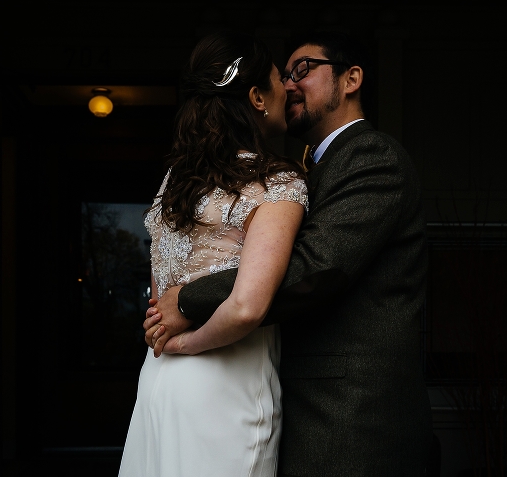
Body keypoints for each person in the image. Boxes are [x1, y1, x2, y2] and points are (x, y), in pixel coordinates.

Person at [146, 31, 433, 476]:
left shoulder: (374, 158)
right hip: (276, 400)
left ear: (351, 79)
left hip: (351, 420)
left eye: (303, 70)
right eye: (285, 75)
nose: (291, 83)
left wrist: (186, 300)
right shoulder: (297, 172)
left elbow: (315, 267)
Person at [118, 32, 309, 476]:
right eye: (281, 79)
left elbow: (158, 292)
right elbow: (245, 308)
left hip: (160, 380)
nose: (290, 88)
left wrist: (171, 343)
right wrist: (190, 342)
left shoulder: (176, 180)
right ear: (257, 97)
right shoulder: (278, 184)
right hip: (225, 386)